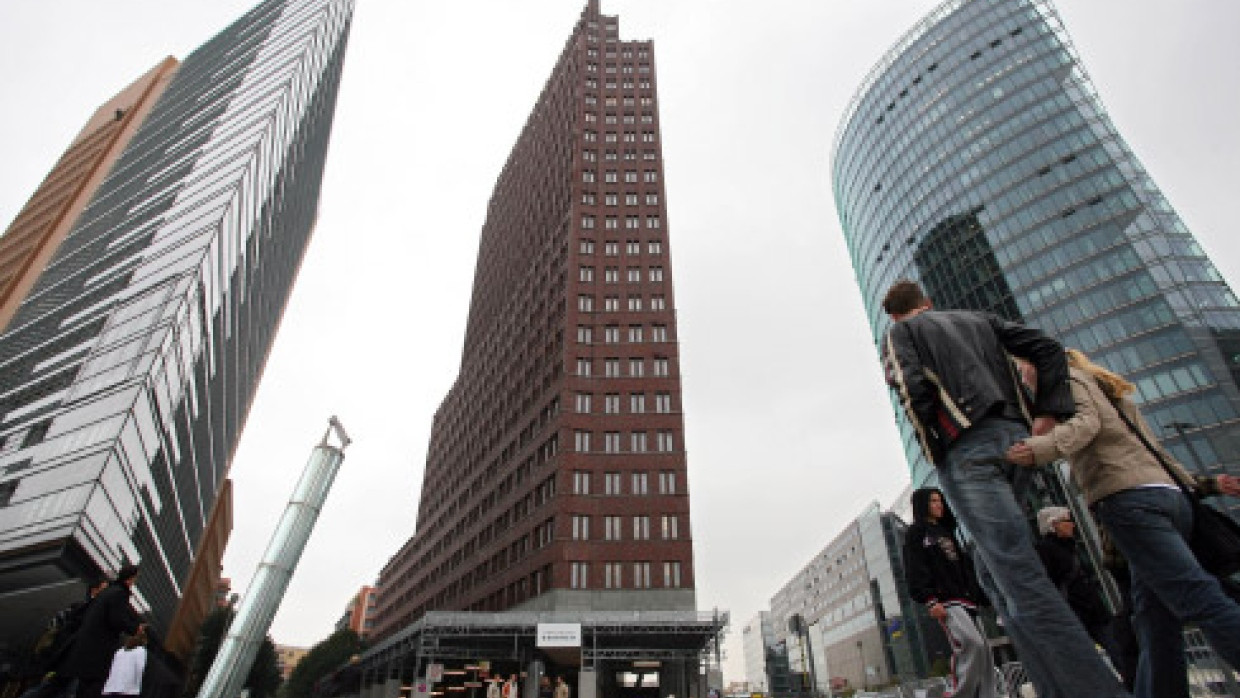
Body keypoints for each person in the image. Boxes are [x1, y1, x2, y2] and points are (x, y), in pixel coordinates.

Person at [881, 279, 1127, 698]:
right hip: (1016, 441)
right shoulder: (981, 320)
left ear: (895, 314)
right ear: (929, 301)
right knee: (992, 573)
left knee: (1018, 574)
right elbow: (1047, 347)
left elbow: (912, 389)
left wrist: (935, 450)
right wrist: (1046, 413)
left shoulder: (902, 332)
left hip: (967, 449)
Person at [1007, 348, 1240, 698]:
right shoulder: (1107, 390)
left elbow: (1087, 425)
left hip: (1129, 501)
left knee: (1198, 594)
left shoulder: (1067, 381)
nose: (1024, 378)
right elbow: (1155, 451)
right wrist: (1201, 485)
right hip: (1169, 499)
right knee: (1154, 620)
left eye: (1023, 370)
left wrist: (1035, 449)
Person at [903, 488, 994, 698]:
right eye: (933, 501)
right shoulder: (917, 532)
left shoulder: (947, 532)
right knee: (972, 645)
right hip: (946, 602)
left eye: (940, 500)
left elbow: (965, 568)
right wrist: (930, 600)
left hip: (967, 600)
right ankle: (957, 693)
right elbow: (915, 567)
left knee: (986, 654)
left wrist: (981, 596)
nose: (939, 505)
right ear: (923, 503)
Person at [1032, 507, 1123, 674]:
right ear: (1054, 525)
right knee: (1089, 663)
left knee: (1119, 653)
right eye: (1067, 521)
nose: (1072, 525)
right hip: (1076, 615)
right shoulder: (1045, 550)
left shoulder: (1071, 547)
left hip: (1094, 612)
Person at [60, 565, 145, 698]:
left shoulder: (109, 591)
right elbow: (116, 619)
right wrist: (135, 629)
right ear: (131, 578)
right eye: (136, 578)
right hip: (98, 650)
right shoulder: (120, 593)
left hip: (86, 649)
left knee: (82, 687)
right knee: (93, 687)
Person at [100, 632, 145, 698]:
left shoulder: (119, 651)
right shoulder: (140, 651)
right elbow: (140, 669)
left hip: (110, 688)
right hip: (127, 689)